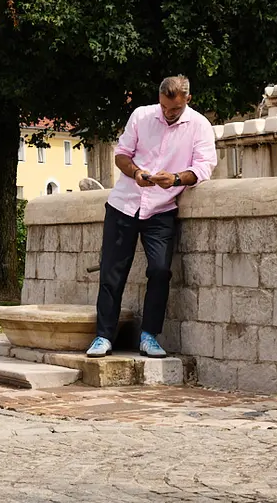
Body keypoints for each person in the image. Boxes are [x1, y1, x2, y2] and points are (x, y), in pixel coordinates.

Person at [88, 75, 216, 360]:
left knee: (160, 271)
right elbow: (121, 154)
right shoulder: (141, 116)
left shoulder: (200, 126)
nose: (169, 114)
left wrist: (176, 179)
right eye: (165, 108)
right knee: (111, 273)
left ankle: (149, 336)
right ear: (159, 100)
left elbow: (205, 167)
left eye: (176, 109)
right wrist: (136, 173)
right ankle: (103, 336)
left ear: (188, 100)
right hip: (124, 204)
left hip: (162, 209)